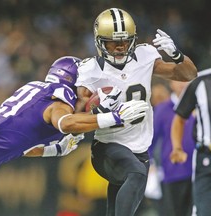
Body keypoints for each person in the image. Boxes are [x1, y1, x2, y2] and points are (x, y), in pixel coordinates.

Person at [0, 56, 149, 216]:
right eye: (85, 86)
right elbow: (65, 122)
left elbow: (28, 147)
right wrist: (115, 118)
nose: (89, 92)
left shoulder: (43, 94)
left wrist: (59, 148)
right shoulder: (60, 98)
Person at [74, 8, 197, 216]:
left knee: (118, 205)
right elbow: (77, 115)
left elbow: (188, 74)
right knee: (136, 174)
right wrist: (100, 110)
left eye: (124, 41)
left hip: (140, 149)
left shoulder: (144, 56)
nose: (121, 47)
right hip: (108, 147)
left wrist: (177, 55)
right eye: (113, 42)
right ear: (100, 42)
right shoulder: (91, 70)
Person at [149, 80, 195, 216]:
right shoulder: (163, 109)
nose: (182, 84)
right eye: (178, 80)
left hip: (200, 171)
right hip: (174, 171)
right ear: (170, 83)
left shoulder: (202, 105)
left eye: (186, 79)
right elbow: (150, 139)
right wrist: (150, 163)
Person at [170, 68, 211, 216]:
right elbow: (180, 118)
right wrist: (177, 148)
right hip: (206, 157)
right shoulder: (200, 81)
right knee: (203, 210)